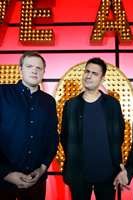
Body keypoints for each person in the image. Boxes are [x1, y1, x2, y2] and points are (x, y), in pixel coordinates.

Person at [60, 57, 125, 200]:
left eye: (95, 74)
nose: (88, 76)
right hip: (78, 176)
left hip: (108, 175)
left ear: (102, 79)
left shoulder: (112, 104)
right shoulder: (71, 105)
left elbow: (119, 133)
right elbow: (64, 136)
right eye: (87, 71)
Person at [0, 51, 59, 200]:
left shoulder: (49, 101)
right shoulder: (2, 92)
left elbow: (53, 138)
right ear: (20, 69)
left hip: (36, 182)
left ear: (44, 72)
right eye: (29, 66)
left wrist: (42, 169)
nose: (34, 70)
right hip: (2, 181)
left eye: (39, 68)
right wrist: (5, 173)